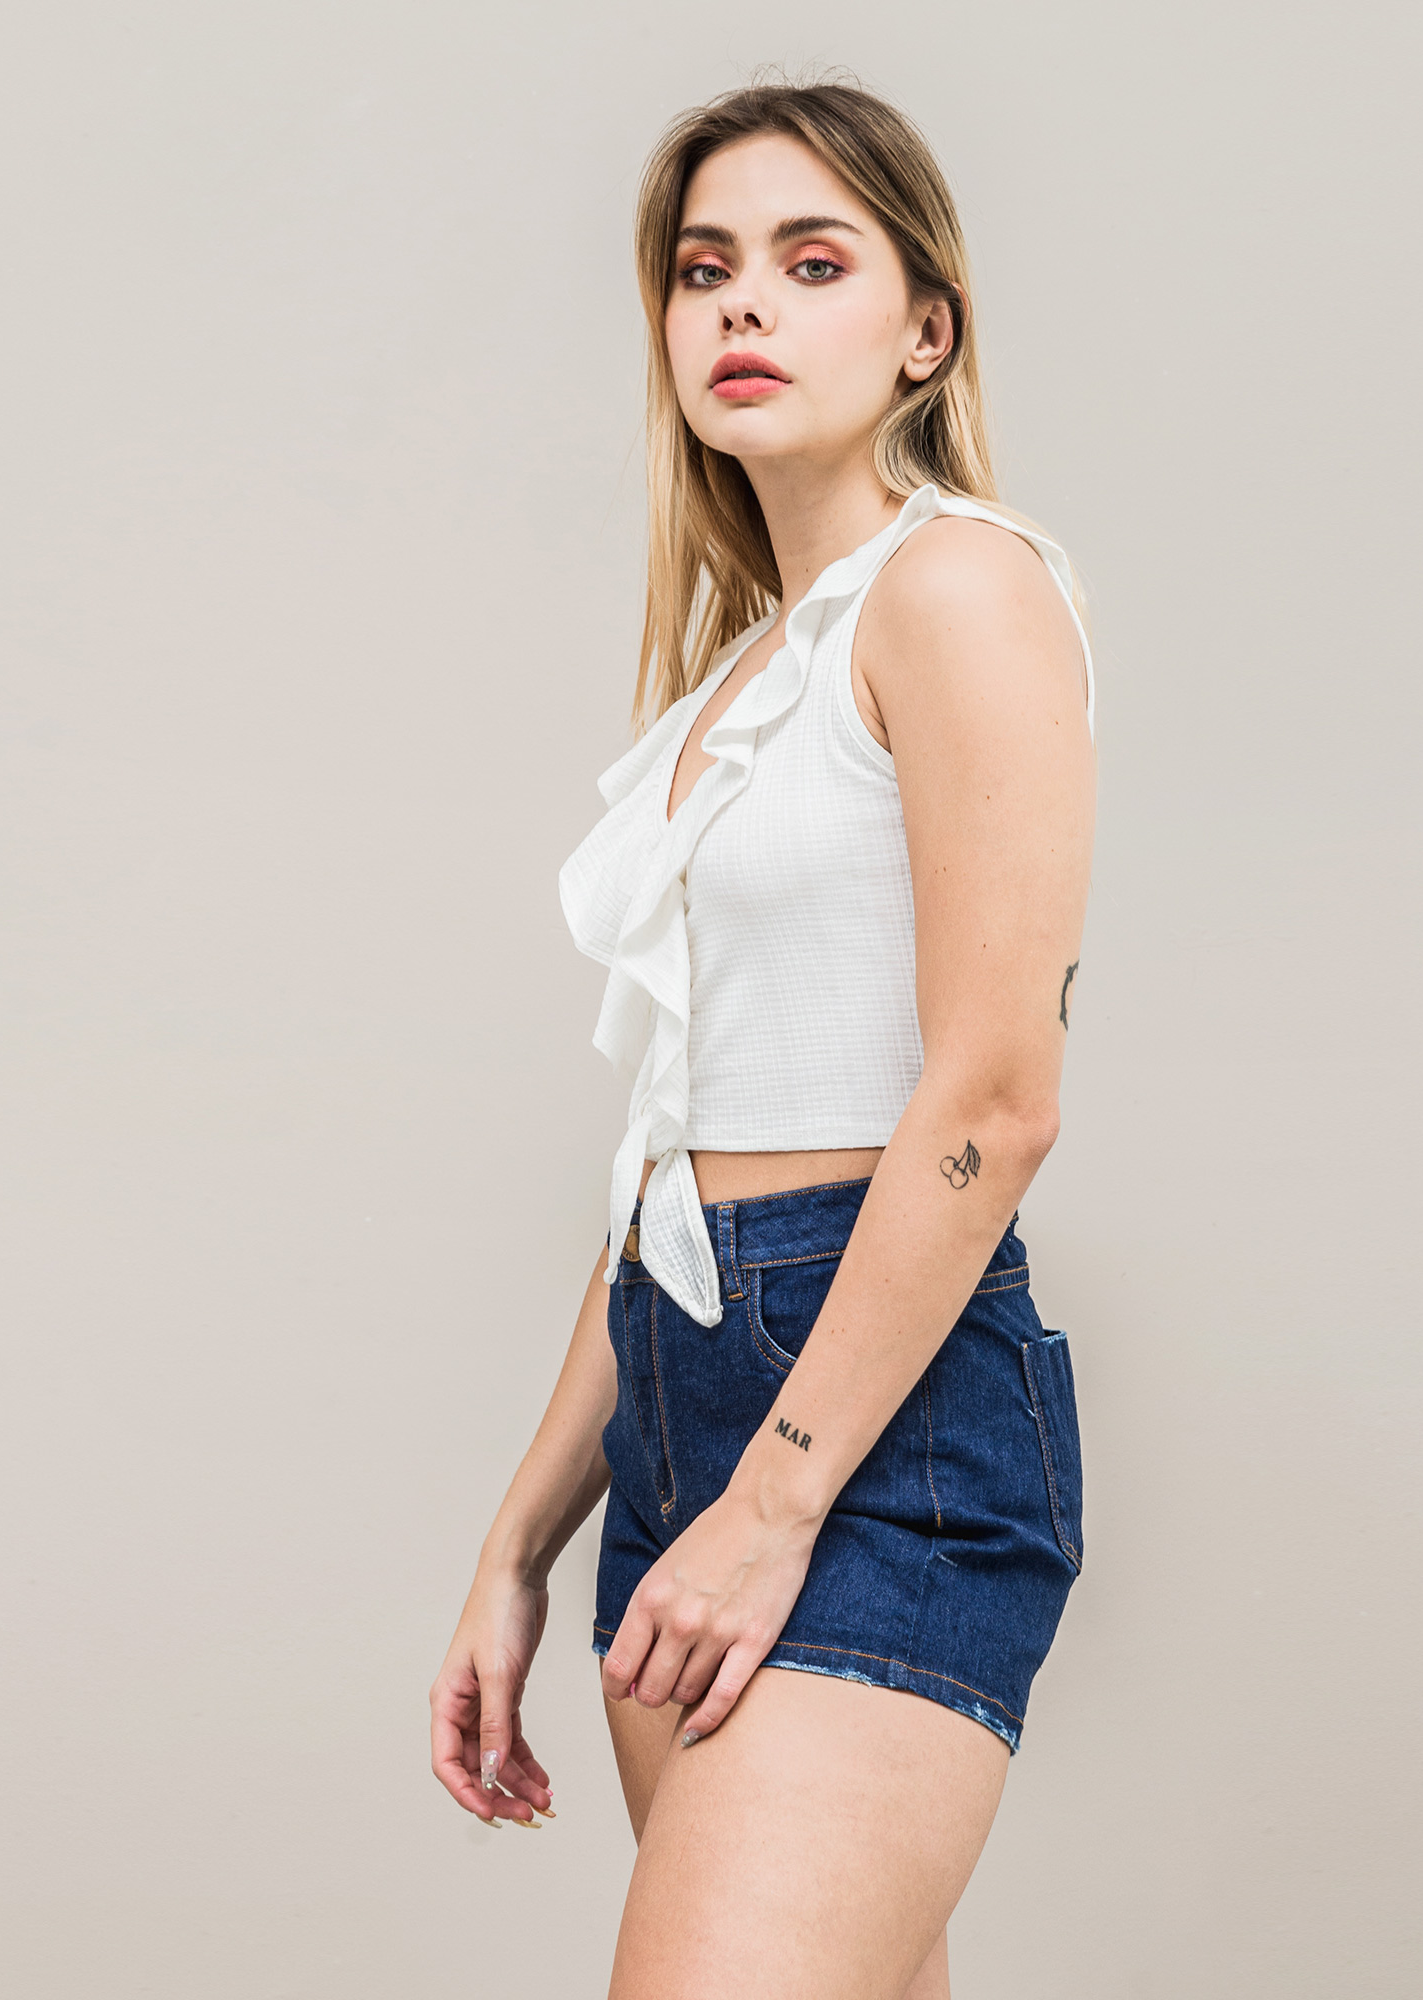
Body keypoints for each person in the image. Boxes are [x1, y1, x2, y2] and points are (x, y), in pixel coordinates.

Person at [429, 76, 1096, 1999]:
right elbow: (670, 1169)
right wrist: (520, 1541)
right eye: (704, 267)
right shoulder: (738, 680)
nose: (742, 304)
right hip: (681, 1403)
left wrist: (779, 1493)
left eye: (814, 263)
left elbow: (995, 1101)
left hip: (871, 1430)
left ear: (924, 330)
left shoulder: (955, 587)